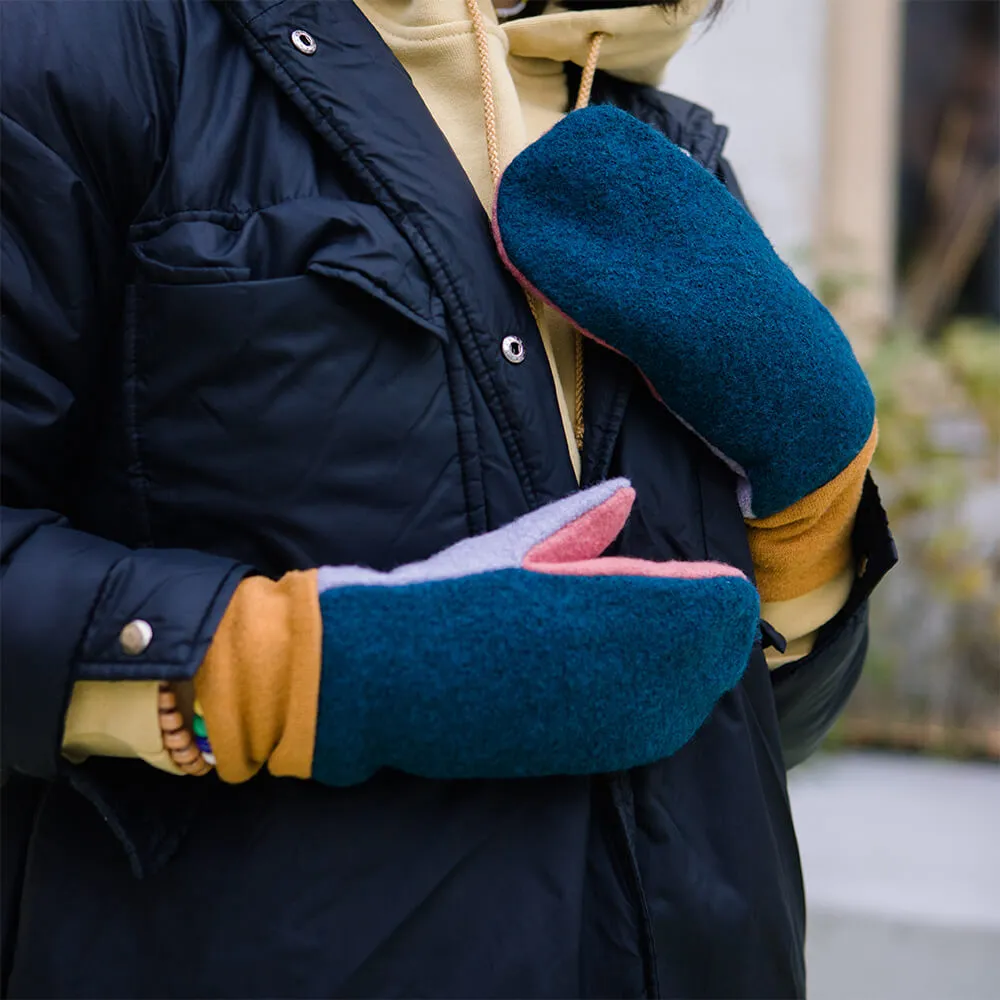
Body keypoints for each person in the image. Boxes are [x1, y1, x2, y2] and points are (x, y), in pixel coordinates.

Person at [0, 0, 896, 996]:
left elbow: (756, 728)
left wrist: (813, 522)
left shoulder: (657, 137)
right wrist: (273, 675)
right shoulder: (86, 47)